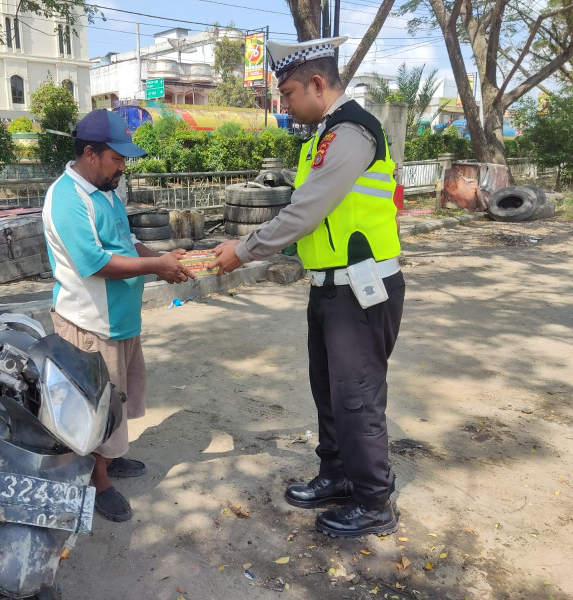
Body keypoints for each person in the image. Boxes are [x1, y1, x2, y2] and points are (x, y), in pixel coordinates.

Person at [210, 37, 405, 538]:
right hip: (330, 288)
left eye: (290, 91)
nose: (286, 103)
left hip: (360, 290)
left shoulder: (352, 133)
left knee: (357, 396)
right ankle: (338, 476)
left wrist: (244, 250)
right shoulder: (325, 136)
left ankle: (373, 502)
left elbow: (304, 212)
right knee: (331, 392)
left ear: (319, 84)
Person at [42, 109, 194, 522]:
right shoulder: (66, 198)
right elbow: (93, 261)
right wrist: (155, 266)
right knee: (93, 407)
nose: (123, 167)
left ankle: (110, 457)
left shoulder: (106, 192)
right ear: (91, 154)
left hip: (121, 320)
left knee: (118, 398)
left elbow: (124, 243)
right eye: (117, 158)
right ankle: (98, 479)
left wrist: (162, 259)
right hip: (90, 323)